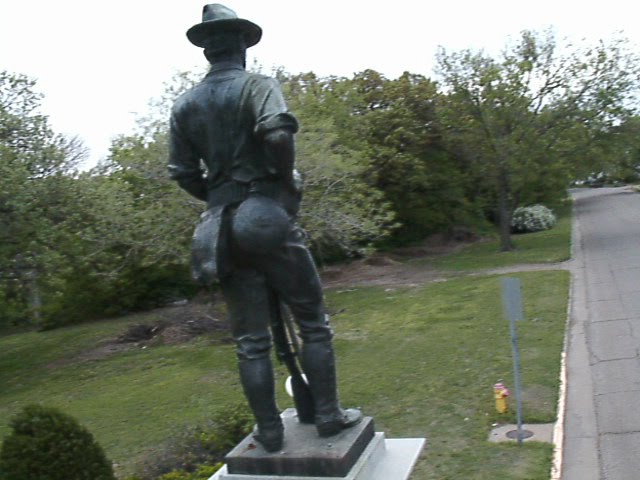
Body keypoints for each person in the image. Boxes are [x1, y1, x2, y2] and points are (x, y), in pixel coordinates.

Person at [168, 4, 362, 453]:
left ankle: (270, 431)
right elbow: (277, 134)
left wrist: (216, 197)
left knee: (250, 342)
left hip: (219, 228)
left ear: (207, 52)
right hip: (263, 212)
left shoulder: (184, 105)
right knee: (312, 322)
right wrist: (284, 183)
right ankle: (328, 415)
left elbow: (181, 171)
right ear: (240, 46)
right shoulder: (258, 86)